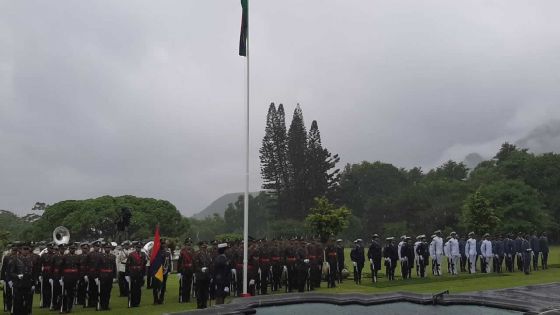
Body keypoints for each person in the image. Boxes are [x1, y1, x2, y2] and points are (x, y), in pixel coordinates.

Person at [8, 243, 36, 315]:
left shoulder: (30, 260)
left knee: (27, 301)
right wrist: (17, 276)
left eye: (27, 249)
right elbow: (11, 272)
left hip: (27, 284)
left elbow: (33, 273)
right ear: (21, 250)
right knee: (18, 302)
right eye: (24, 249)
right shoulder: (15, 260)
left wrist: (33, 283)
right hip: (18, 284)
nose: (26, 251)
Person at [60, 243, 81, 313]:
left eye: (74, 249)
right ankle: (64, 307)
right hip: (67, 277)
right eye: (71, 248)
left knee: (71, 293)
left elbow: (78, 268)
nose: (73, 250)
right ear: (69, 249)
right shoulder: (65, 257)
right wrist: (61, 276)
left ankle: (70, 307)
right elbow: (61, 267)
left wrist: (78, 277)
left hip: (74, 277)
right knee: (65, 293)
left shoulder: (77, 257)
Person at [126, 241, 147, 307]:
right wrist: (127, 274)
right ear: (135, 247)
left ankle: (137, 302)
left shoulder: (143, 254)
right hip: (133, 273)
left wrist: (144, 274)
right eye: (137, 247)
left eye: (140, 247)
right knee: (133, 289)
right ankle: (133, 302)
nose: (139, 248)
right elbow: (127, 265)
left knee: (139, 289)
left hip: (140, 273)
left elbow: (144, 265)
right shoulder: (131, 254)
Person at [96, 243, 117, 310]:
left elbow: (114, 267)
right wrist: (97, 277)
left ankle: (106, 305)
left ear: (110, 248)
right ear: (104, 248)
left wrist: (114, 276)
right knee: (102, 291)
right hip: (103, 275)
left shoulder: (113, 256)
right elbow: (97, 267)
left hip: (110, 276)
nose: (107, 249)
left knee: (108, 291)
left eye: (108, 247)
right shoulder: (100, 256)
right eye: (106, 247)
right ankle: (102, 305)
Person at [152, 240, 172, 304]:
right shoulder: (155, 252)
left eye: (164, 244)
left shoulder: (167, 253)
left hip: (164, 271)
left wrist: (169, 270)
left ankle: (161, 299)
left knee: (163, 286)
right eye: (162, 244)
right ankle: (155, 300)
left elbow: (169, 262)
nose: (163, 245)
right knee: (155, 286)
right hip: (156, 271)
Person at [193, 242, 212, 309]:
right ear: (200, 247)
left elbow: (210, 264)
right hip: (200, 276)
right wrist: (201, 269)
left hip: (206, 276)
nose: (204, 249)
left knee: (206, 291)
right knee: (199, 291)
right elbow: (196, 265)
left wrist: (209, 272)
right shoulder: (197, 254)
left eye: (205, 247)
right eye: (203, 247)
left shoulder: (208, 255)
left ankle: (204, 304)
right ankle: (199, 305)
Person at [1, 244, 18, 312]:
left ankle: (13, 306)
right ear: (11, 250)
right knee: (7, 293)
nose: (14, 251)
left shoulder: (18, 257)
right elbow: (3, 268)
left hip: (14, 278)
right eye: (13, 250)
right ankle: (7, 306)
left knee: (15, 293)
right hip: (7, 278)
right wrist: (2, 278)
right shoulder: (6, 257)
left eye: (15, 250)